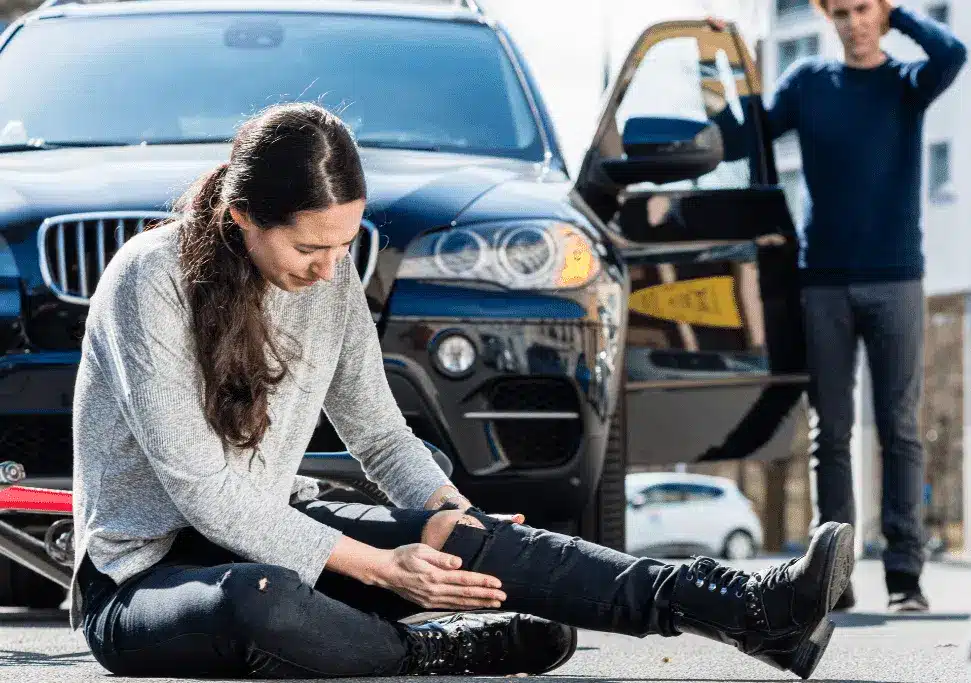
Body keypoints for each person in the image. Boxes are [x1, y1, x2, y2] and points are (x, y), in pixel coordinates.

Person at [71, 102, 855, 680]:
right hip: (142, 580)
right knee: (261, 598)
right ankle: (432, 649)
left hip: (274, 524)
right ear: (242, 215)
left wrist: (457, 517)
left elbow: (379, 435)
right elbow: (204, 494)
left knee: (458, 536)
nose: (328, 266)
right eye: (311, 245)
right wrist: (382, 568)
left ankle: (747, 609)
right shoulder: (151, 279)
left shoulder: (331, 271)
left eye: (345, 242)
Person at [711, 0, 966, 613]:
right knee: (831, 433)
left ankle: (906, 577)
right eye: (843, 11)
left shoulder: (907, 83)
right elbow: (745, 136)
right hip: (822, 281)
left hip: (896, 281)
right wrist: (724, 59)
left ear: (881, 12)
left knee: (900, 429)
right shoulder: (808, 84)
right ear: (830, 18)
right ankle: (835, 575)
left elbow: (952, 53)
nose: (854, 22)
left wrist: (898, 13)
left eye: (864, 9)